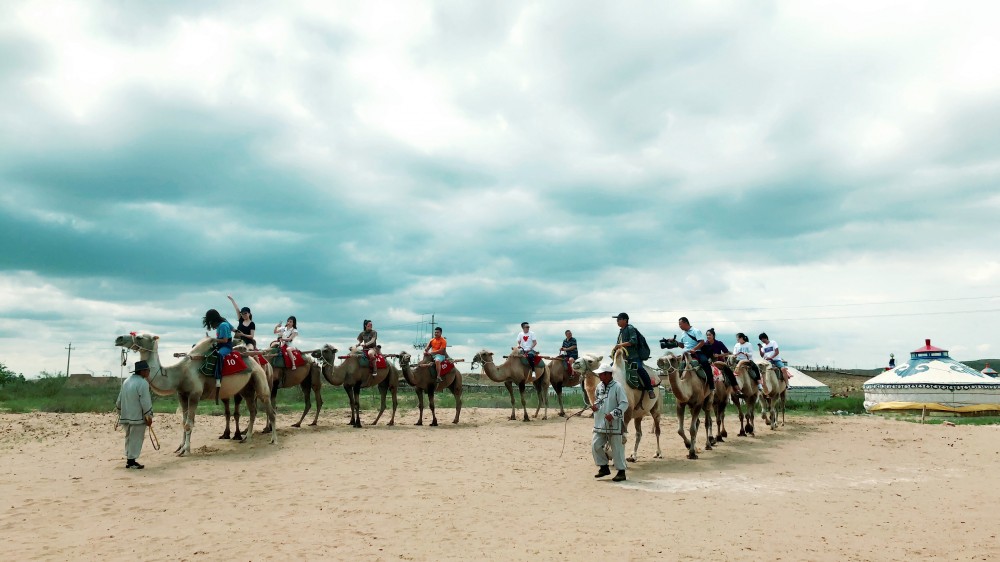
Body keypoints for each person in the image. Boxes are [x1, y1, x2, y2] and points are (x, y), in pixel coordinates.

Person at [591, 363, 628, 482]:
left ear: (608, 374)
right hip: (600, 423)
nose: (599, 376)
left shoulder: (618, 387)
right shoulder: (599, 386)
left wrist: (613, 415)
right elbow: (598, 400)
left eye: (601, 374)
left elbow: (624, 403)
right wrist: (595, 406)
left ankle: (621, 472)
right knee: (595, 445)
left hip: (614, 424)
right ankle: (604, 467)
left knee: (617, 448)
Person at [115, 360, 153, 469]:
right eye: (148, 370)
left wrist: (119, 411)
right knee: (136, 438)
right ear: (143, 371)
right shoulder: (143, 383)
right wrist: (148, 415)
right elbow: (145, 401)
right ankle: (131, 462)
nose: (149, 372)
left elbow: (119, 399)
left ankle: (129, 459)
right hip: (137, 417)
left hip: (126, 415)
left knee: (129, 437)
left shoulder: (126, 381)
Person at [612, 312, 655, 400]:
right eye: (617, 320)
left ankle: (650, 389)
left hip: (633, 357)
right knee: (610, 368)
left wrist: (621, 345)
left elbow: (633, 341)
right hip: (623, 358)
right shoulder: (621, 331)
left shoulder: (630, 328)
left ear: (625, 320)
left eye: (619, 319)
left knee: (639, 368)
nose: (617, 321)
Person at [675, 317, 715, 390]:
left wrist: (694, 349)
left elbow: (702, 342)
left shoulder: (695, 331)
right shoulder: (683, 333)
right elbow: (682, 345)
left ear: (685, 323)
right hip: (686, 354)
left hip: (697, 352)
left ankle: (711, 384)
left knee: (705, 362)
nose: (679, 326)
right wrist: (676, 342)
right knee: (677, 367)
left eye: (680, 324)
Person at [203, 309, 234, 389]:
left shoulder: (223, 325)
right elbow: (233, 329)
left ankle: (218, 378)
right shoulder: (221, 323)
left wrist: (213, 339)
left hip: (226, 346)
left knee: (219, 355)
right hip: (219, 345)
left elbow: (225, 340)